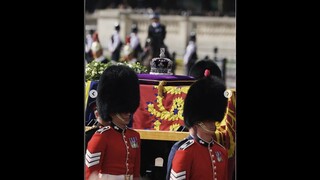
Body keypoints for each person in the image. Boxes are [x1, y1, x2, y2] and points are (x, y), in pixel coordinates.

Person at [169, 70, 229, 180]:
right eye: (207, 120)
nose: (212, 124)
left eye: (213, 120)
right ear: (197, 121)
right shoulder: (185, 151)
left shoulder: (221, 151)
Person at [85, 65, 141, 180]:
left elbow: (136, 174)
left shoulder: (134, 136)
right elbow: (90, 174)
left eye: (128, 110)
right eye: (123, 110)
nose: (128, 114)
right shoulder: (101, 136)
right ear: (112, 111)